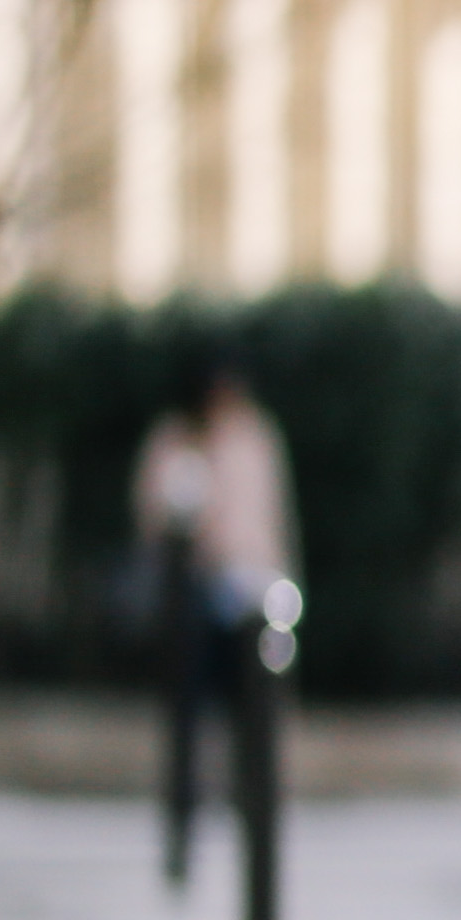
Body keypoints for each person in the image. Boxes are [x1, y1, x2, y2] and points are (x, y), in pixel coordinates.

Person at [131, 342, 297, 882]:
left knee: (252, 708)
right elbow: (157, 517)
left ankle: (252, 808)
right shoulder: (175, 440)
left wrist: (285, 590)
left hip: (250, 591)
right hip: (195, 593)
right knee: (189, 709)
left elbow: (274, 517)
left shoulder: (255, 437)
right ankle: (185, 815)